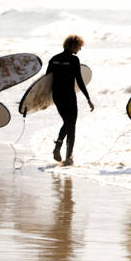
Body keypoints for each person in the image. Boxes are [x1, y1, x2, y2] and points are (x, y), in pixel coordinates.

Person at [47, 35, 94, 165]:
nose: (80, 49)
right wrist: (88, 98)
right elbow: (79, 80)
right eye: (79, 46)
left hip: (57, 96)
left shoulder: (54, 59)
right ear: (73, 45)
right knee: (71, 124)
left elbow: (46, 81)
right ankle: (68, 157)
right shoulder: (74, 60)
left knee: (67, 122)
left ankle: (59, 147)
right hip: (69, 95)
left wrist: (43, 100)